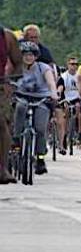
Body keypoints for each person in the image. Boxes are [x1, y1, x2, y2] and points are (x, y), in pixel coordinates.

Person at [12, 41, 59, 175]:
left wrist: (54, 93)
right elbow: (10, 81)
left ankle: (40, 158)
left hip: (41, 99)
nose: (28, 57)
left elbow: (50, 82)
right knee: (20, 108)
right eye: (26, 55)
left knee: (40, 128)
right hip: (21, 97)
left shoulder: (43, 68)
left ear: (36, 56)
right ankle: (16, 138)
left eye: (31, 55)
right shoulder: (17, 68)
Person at [0, 23, 23, 184]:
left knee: (2, 124)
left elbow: (19, 63)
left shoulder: (7, 37)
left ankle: (3, 168)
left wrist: (11, 83)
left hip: (0, 86)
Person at [56, 57, 81, 155]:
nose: (74, 66)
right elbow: (60, 87)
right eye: (72, 64)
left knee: (78, 107)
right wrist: (58, 92)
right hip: (66, 98)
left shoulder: (79, 76)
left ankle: (76, 127)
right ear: (68, 65)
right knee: (66, 109)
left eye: (76, 64)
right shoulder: (64, 76)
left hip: (76, 98)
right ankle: (65, 133)